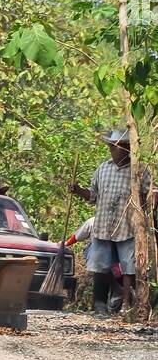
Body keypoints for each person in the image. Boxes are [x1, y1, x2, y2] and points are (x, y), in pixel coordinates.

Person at [69, 130, 150, 315]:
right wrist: (78, 190)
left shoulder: (139, 170)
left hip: (127, 227)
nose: (113, 150)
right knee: (99, 265)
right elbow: (93, 195)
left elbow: (148, 196)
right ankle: (100, 304)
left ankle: (126, 305)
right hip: (103, 225)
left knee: (129, 267)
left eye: (117, 147)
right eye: (111, 147)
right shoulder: (103, 169)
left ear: (128, 149)